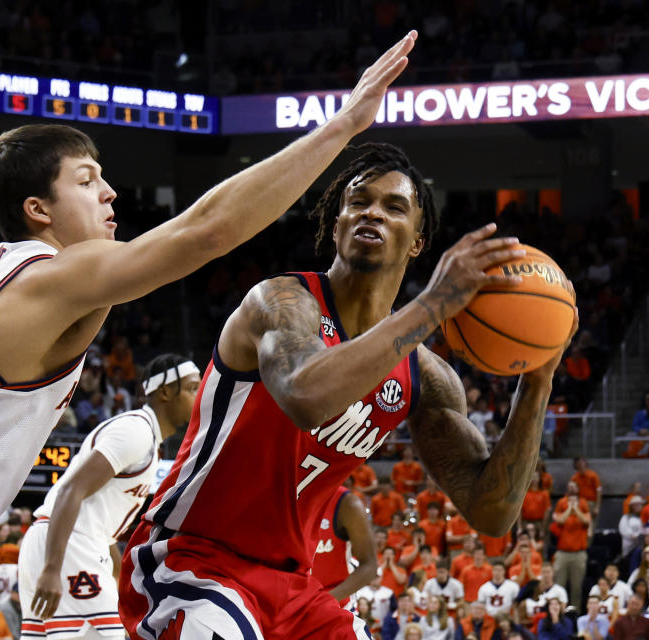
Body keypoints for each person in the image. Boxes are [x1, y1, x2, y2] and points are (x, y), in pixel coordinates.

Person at [0, 38, 432, 640]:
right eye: (86, 181)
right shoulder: (59, 274)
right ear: (39, 211)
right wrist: (343, 126)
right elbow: (205, 232)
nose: (110, 192)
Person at [119, 48, 578, 640]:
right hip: (193, 560)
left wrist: (538, 376)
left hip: (292, 585)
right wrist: (432, 305)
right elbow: (305, 394)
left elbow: (491, 512)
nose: (372, 213)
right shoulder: (282, 302)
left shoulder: (426, 377)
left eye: (394, 207)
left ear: (418, 241)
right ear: (334, 226)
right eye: (356, 202)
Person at [19, 355, 201, 638]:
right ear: (166, 392)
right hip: (69, 546)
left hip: (65, 542)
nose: (198, 396)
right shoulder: (136, 431)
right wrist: (53, 567)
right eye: (192, 388)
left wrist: (117, 583)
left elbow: (106, 532)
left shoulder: (147, 438)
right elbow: (71, 490)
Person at [311, 483, 379, 608]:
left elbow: (370, 565)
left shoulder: (347, 503)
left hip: (335, 602)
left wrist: (325, 601)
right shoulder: (282, 497)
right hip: (292, 602)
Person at [552, 481, 591, 609]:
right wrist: (569, 508)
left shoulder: (583, 504)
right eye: (570, 487)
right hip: (562, 553)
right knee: (559, 586)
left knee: (577, 587)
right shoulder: (561, 504)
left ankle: (575, 615)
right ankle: (558, 613)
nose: (572, 489)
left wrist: (576, 508)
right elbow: (560, 520)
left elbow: (587, 520)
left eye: (575, 486)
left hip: (578, 554)